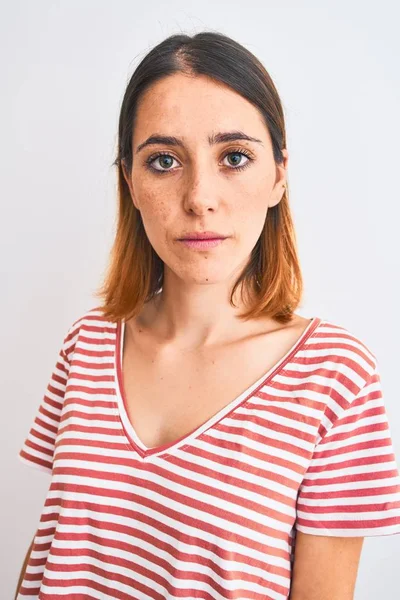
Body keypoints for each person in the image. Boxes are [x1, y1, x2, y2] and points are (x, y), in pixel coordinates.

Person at [15, 30, 400, 600]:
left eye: (235, 158)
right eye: (164, 161)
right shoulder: (87, 344)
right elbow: (53, 549)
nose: (199, 196)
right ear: (131, 182)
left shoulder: (334, 377)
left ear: (278, 175)